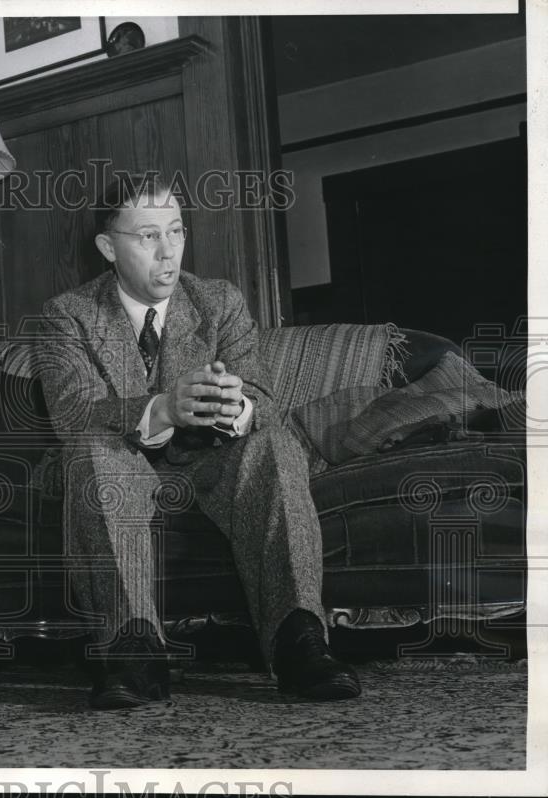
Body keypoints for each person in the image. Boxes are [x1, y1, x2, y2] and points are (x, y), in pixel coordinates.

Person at [36, 172, 361, 710]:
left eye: (177, 231)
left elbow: (263, 399)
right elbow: (73, 414)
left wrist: (239, 405)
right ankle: (134, 653)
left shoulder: (218, 301)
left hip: (209, 460)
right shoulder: (65, 316)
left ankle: (300, 642)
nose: (169, 253)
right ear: (107, 247)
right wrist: (161, 406)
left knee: (275, 442)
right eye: (147, 236)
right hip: (118, 461)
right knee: (92, 451)